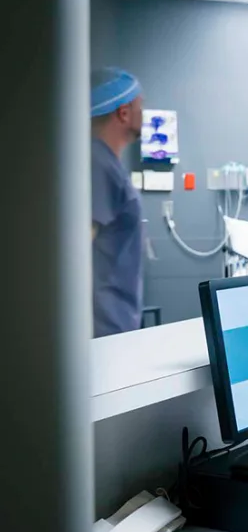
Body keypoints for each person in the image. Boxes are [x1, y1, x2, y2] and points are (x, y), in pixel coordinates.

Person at [91, 67, 145, 338]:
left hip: (113, 326)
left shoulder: (105, 163)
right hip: (102, 330)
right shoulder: (98, 164)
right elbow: (75, 251)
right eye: (140, 105)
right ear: (123, 113)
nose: (144, 113)